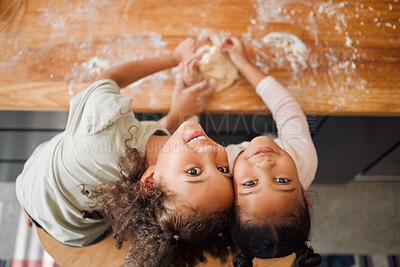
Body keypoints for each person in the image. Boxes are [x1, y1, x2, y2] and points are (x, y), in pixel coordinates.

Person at [16, 37, 234, 267]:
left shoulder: (103, 126)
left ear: (149, 181)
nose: (209, 151)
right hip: (77, 232)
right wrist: (179, 112)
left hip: (40, 192)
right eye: (222, 169)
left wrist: (175, 57)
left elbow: (110, 78)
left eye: (193, 172)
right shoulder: (148, 192)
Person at [219, 36, 322, 267]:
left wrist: (189, 105)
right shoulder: (303, 159)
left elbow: (190, 146)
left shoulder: (220, 169)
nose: (265, 165)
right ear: (303, 194)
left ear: (229, 198)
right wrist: (243, 63)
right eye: (282, 180)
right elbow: (286, 108)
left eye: (249, 184)